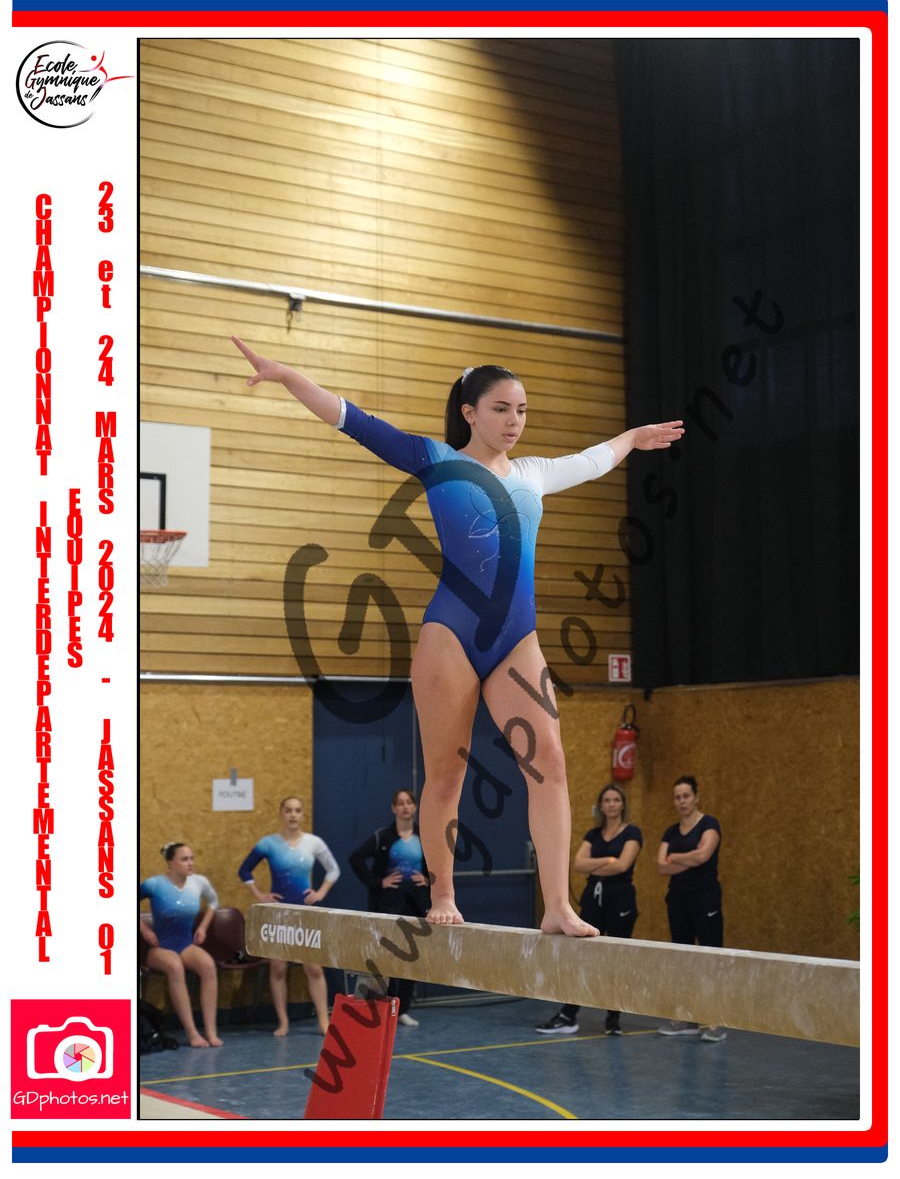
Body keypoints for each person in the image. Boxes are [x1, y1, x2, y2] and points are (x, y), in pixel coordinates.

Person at [232, 336, 683, 935]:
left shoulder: (534, 474)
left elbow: (593, 459)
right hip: (451, 635)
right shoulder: (436, 459)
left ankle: (556, 905)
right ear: (470, 412)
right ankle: (442, 892)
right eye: (501, 409)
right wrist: (287, 375)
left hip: (517, 639)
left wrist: (632, 437)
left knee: (549, 760)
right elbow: (352, 419)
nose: (514, 421)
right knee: (447, 773)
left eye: (522, 410)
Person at [535, 783, 642, 1036]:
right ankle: (568, 1015)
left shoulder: (632, 833)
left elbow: (623, 865)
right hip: (593, 896)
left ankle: (613, 1017)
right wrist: (608, 860)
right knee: (581, 954)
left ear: (622, 805)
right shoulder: (593, 834)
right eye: (607, 800)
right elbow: (578, 863)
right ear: (601, 806)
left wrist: (599, 864)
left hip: (620, 898)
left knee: (616, 957)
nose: (612, 804)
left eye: (616, 800)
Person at [238, 797, 340, 1035]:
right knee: (278, 968)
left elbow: (333, 869)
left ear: (302, 814)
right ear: (281, 813)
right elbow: (244, 870)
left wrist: (320, 893)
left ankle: (323, 1021)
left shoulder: (313, 843)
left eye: (297, 810)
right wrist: (260, 895)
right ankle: (283, 1022)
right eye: (288, 810)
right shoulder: (268, 844)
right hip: (279, 915)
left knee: (314, 969)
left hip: (305, 914)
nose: (293, 815)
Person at [349, 788, 429, 1027]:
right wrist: (377, 882)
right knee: (387, 960)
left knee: (410, 960)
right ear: (394, 808)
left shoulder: (425, 836)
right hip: (388, 906)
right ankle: (385, 1006)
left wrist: (429, 879)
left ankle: (402, 1009)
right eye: (400, 803)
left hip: (414, 906)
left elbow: (440, 863)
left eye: (409, 802)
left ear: (415, 807)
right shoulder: (382, 837)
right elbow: (355, 858)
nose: (405, 807)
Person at [656, 775, 727, 1042]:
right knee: (682, 957)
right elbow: (661, 866)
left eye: (686, 796)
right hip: (678, 899)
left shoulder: (709, 824)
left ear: (696, 797)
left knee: (710, 957)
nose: (682, 801)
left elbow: (703, 855)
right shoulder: (671, 832)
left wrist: (676, 857)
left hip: (705, 898)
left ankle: (717, 1020)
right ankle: (687, 1018)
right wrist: (688, 859)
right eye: (677, 797)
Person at [139, 843, 223, 1048]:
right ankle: (192, 1033)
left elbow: (213, 902)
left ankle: (211, 1032)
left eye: (191, 858)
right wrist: (145, 930)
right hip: (160, 947)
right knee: (175, 966)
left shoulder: (199, 882)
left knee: (208, 965)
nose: (190, 863)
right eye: (184, 859)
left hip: (185, 944)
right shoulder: (154, 884)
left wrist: (203, 927)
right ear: (171, 863)